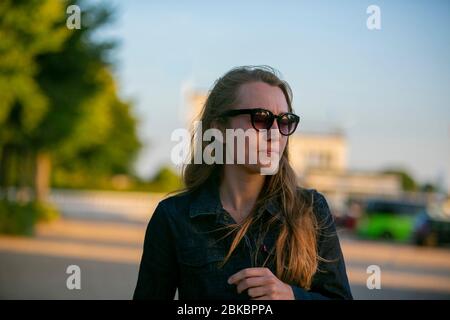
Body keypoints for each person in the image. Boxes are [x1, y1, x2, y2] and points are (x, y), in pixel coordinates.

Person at [134, 65, 352, 300]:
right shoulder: (174, 216)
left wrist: (292, 296)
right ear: (218, 128)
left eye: (285, 121)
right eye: (261, 118)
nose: (276, 132)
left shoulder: (311, 209)